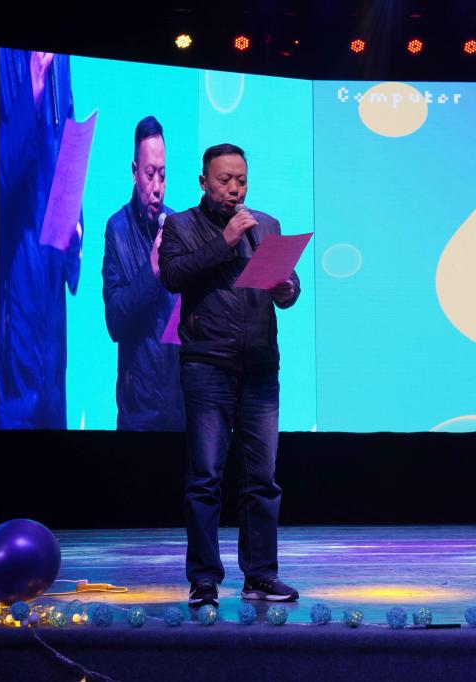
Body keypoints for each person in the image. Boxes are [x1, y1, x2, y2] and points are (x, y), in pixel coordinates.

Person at [158, 143, 300, 607]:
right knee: (205, 478)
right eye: (224, 180)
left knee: (263, 479)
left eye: (241, 180)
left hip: (259, 367)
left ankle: (260, 574)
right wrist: (224, 242)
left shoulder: (267, 225)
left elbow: (288, 288)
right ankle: (204, 579)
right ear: (203, 182)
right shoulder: (180, 225)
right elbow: (173, 275)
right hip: (207, 366)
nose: (234, 189)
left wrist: (288, 287)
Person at [0, 49, 81, 429]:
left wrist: (76, 231)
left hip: (50, 310)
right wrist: (30, 90)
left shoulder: (61, 59)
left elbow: (68, 151)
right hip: (14, 299)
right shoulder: (3, 55)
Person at [102, 116, 185, 431]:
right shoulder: (117, 230)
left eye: (163, 175)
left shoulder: (179, 226)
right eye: (150, 175)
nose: (157, 188)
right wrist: (151, 269)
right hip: (137, 412)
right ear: (135, 172)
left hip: (180, 408)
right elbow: (114, 321)